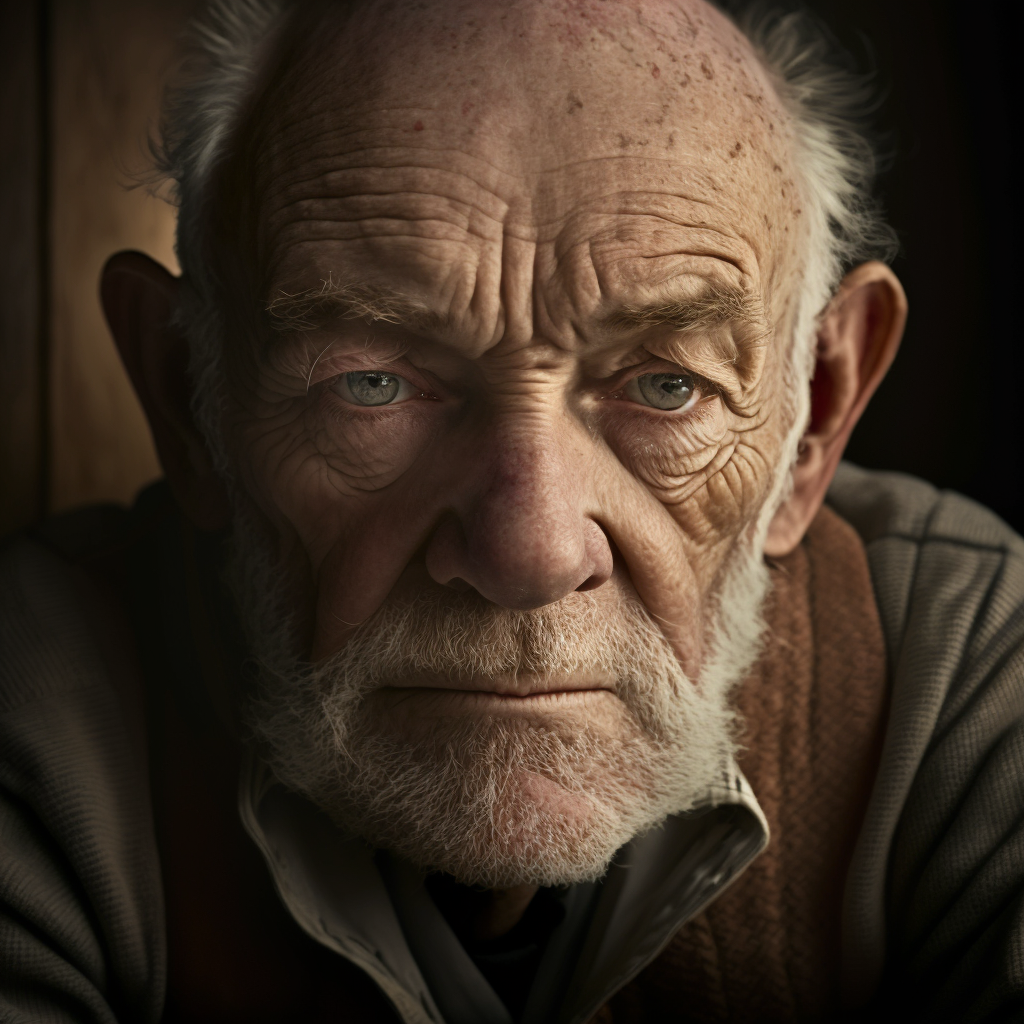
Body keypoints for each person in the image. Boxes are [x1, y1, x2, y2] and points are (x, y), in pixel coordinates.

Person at [2, 0, 1023, 1021]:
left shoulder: (975, 660)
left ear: (815, 419)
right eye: (372, 382)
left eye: (667, 386)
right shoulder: (36, 698)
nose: (529, 549)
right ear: (191, 403)